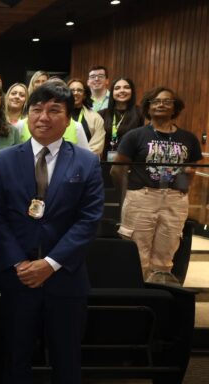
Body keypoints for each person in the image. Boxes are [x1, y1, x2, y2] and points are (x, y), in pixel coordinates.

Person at [0, 83, 104, 384]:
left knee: (67, 361)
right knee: (15, 360)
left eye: (54, 110)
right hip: (18, 277)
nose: (43, 117)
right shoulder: (2, 161)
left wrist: (50, 264)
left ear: (68, 118)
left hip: (65, 279)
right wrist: (20, 263)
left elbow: (89, 220)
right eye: (37, 109)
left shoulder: (87, 161)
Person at [112, 87, 201, 286]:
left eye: (167, 101)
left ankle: (158, 295)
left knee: (166, 255)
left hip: (175, 200)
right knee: (137, 253)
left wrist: (179, 190)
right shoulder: (135, 136)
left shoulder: (188, 138)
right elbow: (117, 170)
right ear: (148, 107)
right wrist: (129, 194)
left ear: (175, 108)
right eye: (156, 101)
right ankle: (137, 295)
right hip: (142, 197)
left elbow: (189, 171)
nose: (161, 104)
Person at [100, 77, 144, 161]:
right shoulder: (101, 114)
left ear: (132, 91)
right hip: (105, 162)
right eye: (117, 88)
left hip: (131, 162)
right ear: (112, 92)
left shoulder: (141, 113)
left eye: (126, 87)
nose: (122, 90)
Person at [68, 78, 105, 157]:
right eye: (72, 90)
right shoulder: (58, 115)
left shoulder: (96, 118)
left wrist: (80, 159)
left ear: (84, 95)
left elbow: (96, 147)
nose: (75, 93)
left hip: (85, 161)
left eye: (79, 90)